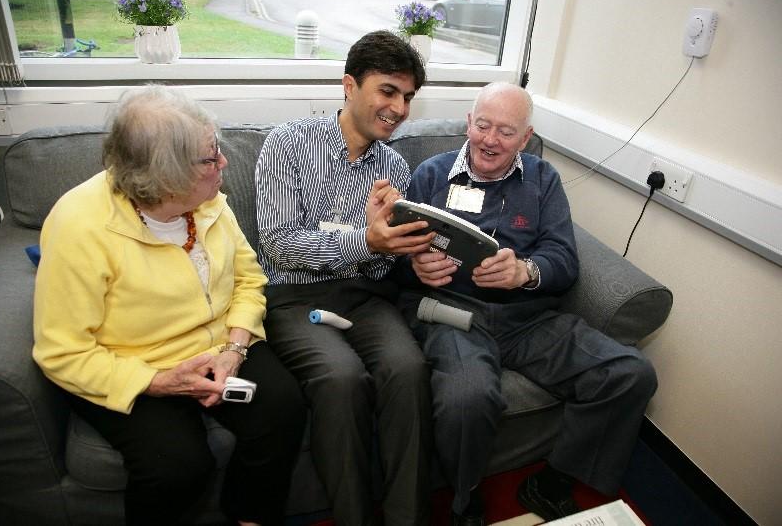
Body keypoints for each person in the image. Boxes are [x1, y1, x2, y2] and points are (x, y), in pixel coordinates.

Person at [32, 86, 306, 526]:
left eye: (216, 149)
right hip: (131, 363)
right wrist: (159, 382)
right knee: (177, 467)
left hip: (219, 346)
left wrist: (235, 349)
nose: (224, 164)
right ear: (166, 176)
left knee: (282, 409)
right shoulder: (79, 226)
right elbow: (62, 353)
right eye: (209, 158)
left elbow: (250, 279)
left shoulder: (208, 199)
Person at [396, 82, 658, 525]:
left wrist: (525, 271)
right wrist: (416, 267)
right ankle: (466, 498)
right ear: (468, 123)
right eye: (482, 126)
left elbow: (564, 259)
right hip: (454, 313)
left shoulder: (542, 179)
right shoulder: (431, 175)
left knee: (630, 374)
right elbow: (394, 262)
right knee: (466, 397)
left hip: (527, 317)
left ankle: (553, 480)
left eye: (505, 131)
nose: (490, 140)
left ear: (525, 136)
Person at [255, 30, 434, 526]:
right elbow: (279, 243)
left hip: (365, 297)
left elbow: (380, 268)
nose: (399, 108)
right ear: (349, 86)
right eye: (388, 91)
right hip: (294, 297)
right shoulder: (287, 144)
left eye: (408, 97)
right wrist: (367, 239)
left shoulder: (394, 165)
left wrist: (394, 243)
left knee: (408, 369)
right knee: (342, 378)